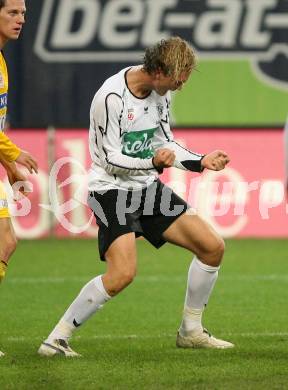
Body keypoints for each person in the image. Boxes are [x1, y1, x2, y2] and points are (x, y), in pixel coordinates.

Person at [39, 36, 234, 357]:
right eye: (176, 80)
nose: (179, 87)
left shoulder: (162, 94)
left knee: (212, 248)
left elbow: (167, 143)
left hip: (146, 188)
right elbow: (107, 157)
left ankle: (191, 331)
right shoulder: (111, 96)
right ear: (158, 70)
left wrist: (200, 161)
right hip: (111, 191)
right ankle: (55, 340)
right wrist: (152, 161)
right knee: (121, 275)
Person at [0, 0, 38, 357]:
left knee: (5, 243)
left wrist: (9, 166)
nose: (21, 19)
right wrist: (13, 154)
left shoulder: (2, 61)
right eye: (12, 12)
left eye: (23, 13)